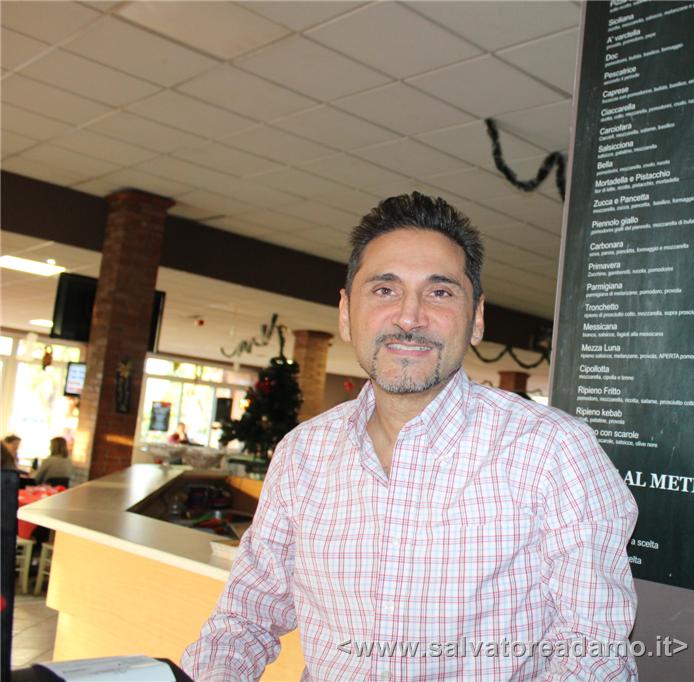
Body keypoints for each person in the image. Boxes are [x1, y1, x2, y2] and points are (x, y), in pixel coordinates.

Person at [183, 193, 639, 681]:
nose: (409, 316)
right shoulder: (302, 455)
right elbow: (244, 619)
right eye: (385, 289)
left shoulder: (555, 451)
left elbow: (594, 656)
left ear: (477, 318)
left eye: (440, 292)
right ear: (345, 312)